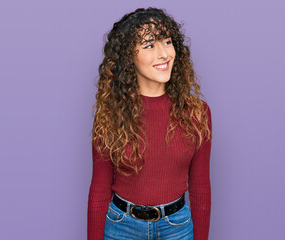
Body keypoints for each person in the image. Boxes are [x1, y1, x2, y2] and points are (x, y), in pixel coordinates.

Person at [88, 7, 212, 240]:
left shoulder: (198, 113)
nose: (164, 54)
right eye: (149, 45)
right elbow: (99, 187)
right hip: (121, 227)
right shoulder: (109, 114)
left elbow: (201, 186)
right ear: (128, 57)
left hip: (177, 228)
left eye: (167, 42)